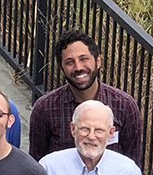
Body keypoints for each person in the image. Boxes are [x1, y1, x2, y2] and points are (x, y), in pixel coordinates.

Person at [29, 31, 145, 165]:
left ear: (98, 61)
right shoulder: (45, 108)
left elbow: (134, 164)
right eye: (69, 62)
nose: (78, 67)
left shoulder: (124, 106)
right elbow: (36, 168)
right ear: (62, 68)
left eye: (84, 59)